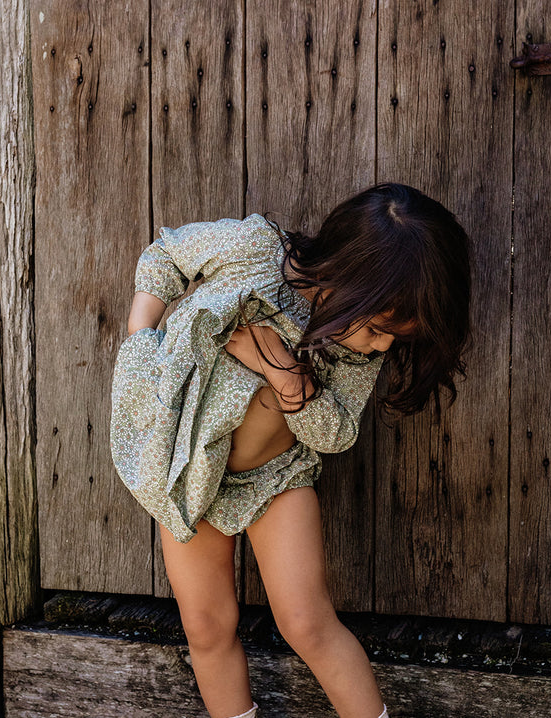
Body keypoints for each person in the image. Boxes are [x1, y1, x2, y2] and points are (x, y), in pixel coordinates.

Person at [110, 183, 471, 718]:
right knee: (207, 626)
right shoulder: (253, 249)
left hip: (276, 480)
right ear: (342, 281)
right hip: (187, 473)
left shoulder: (356, 353)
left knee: (307, 622)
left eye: (397, 339)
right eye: (377, 330)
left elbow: (335, 433)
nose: (385, 347)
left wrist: (286, 374)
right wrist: (141, 337)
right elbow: (167, 253)